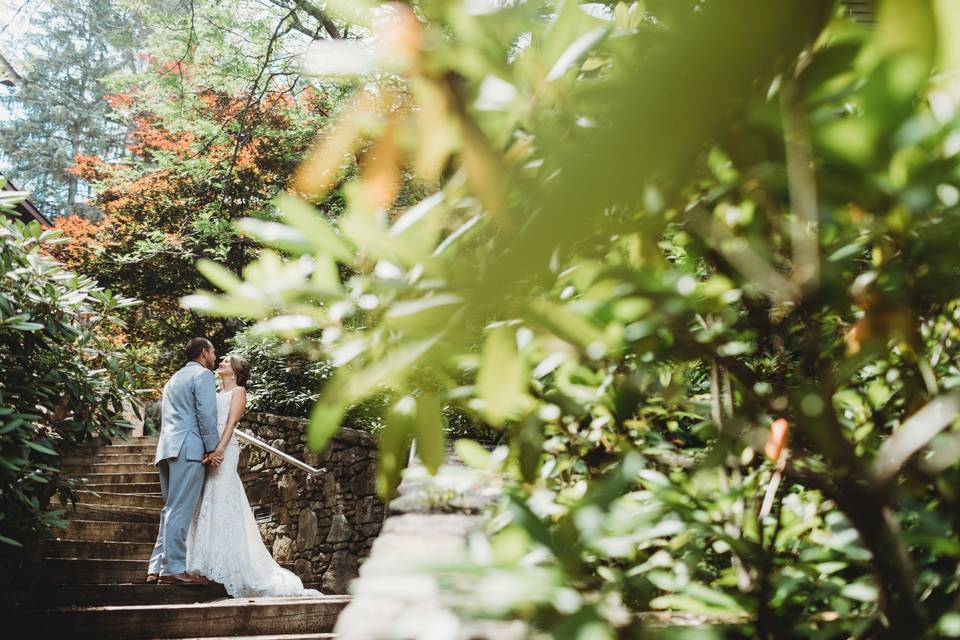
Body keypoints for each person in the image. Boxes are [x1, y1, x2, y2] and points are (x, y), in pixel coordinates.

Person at [185, 354, 321, 597]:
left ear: (236, 369)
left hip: (225, 449)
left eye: (227, 361)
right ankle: (204, 563)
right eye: (222, 360)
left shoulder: (238, 392)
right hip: (210, 450)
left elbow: (231, 424)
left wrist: (219, 449)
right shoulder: (213, 392)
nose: (222, 363)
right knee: (207, 502)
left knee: (221, 500)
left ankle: (227, 567)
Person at [146, 337, 223, 585]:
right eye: (213, 352)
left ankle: (156, 568)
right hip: (188, 449)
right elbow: (206, 414)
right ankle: (174, 570)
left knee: (169, 509)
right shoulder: (203, 376)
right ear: (203, 353)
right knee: (180, 510)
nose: (215, 357)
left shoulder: (173, 379)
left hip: (167, 449)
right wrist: (213, 448)